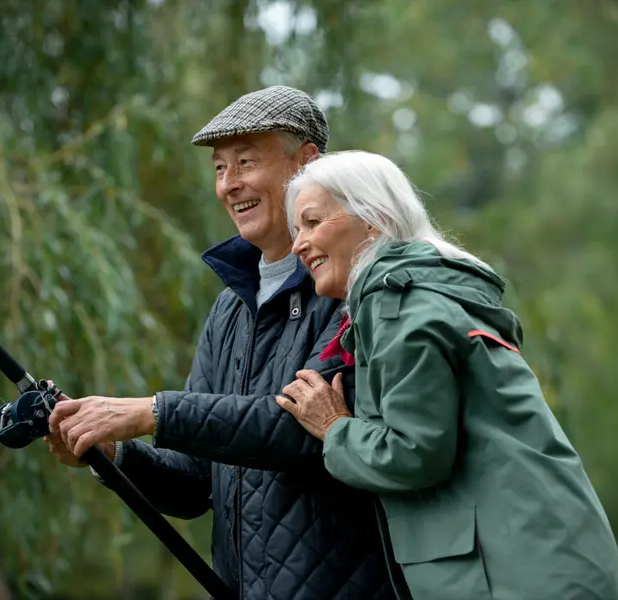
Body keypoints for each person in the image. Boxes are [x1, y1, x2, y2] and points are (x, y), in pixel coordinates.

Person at [44, 88, 396, 599]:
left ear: (307, 163)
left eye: (246, 162)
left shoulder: (351, 287)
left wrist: (154, 412)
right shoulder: (229, 310)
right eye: (218, 168)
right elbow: (194, 482)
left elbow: (303, 431)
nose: (230, 184)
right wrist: (115, 452)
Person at [276, 149, 618, 600]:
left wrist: (335, 428)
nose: (298, 244)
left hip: (517, 573)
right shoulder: (424, 293)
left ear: (373, 219)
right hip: (551, 558)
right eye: (296, 230)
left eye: (312, 222)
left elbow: (416, 452)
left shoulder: (398, 305)